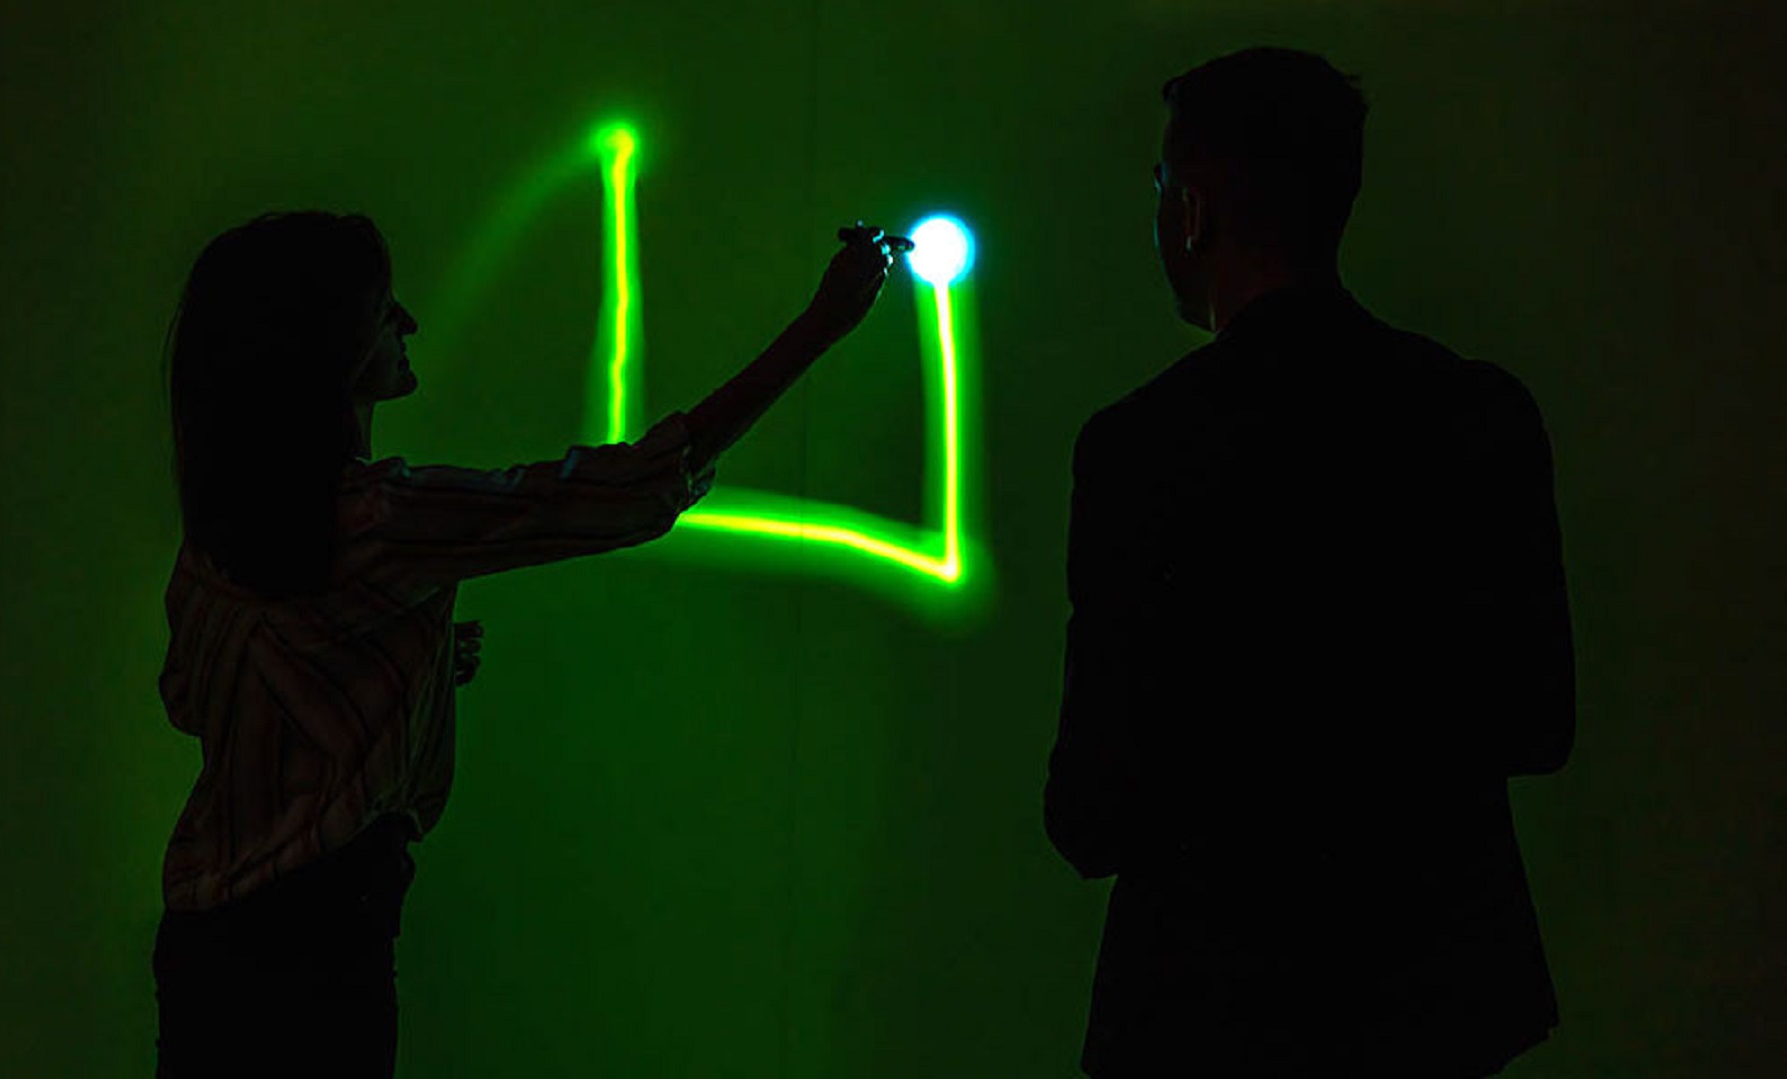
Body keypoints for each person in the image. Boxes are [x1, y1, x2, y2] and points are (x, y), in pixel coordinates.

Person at [151, 210, 904, 1077]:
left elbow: (188, 696)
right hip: (320, 946)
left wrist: (400, 663)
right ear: (331, 346)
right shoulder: (381, 520)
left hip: (207, 939)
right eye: (384, 309)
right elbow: (611, 493)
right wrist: (819, 327)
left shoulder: (218, 537)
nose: (408, 323)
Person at [1043, 47, 1574, 1078]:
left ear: (1193, 210)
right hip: (1436, 1002)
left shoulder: (1142, 446)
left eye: (1160, 188)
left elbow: (1091, 806)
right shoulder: (1478, 412)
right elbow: (1537, 719)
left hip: (1205, 1006)